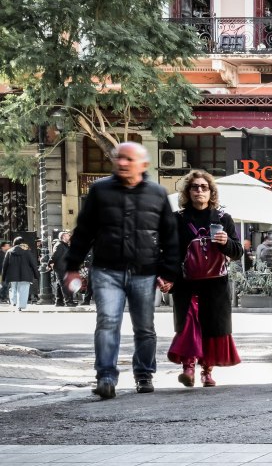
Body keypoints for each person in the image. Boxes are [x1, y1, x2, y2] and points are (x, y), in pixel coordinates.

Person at [65, 142, 180, 399]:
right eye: (119, 158)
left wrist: (169, 273)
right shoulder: (99, 190)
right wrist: (72, 267)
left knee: (145, 327)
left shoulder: (157, 193)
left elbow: (170, 238)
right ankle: (106, 376)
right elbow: (83, 231)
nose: (122, 163)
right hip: (106, 270)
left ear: (143, 165)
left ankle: (144, 373)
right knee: (107, 322)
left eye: (128, 159)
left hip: (145, 272)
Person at [167, 170, 242, 387]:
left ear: (211, 192)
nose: (199, 190)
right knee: (189, 324)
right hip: (186, 282)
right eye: (194, 187)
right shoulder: (177, 219)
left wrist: (226, 242)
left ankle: (206, 371)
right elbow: (170, 252)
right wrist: (167, 278)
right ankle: (188, 368)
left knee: (211, 326)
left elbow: (237, 252)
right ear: (188, 192)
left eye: (204, 187)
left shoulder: (223, 219)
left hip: (215, 283)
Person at [2, 237, 39, 311]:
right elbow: (33, 264)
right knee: (23, 290)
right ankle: (21, 305)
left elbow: (5, 265)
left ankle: (14, 302)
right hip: (25, 274)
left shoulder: (9, 251)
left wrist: (3, 277)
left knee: (13, 288)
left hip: (12, 275)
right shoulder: (27, 251)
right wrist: (36, 275)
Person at [50, 231, 75, 307]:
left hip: (65, 267)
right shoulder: (59, 245)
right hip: (61, 268)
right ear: (63, 237)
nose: (69, 237)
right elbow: (55, 256)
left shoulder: (65, 245)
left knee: (59, 284)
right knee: (64, 285)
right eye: (68, 236)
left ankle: (59, 301)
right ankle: (68, 301)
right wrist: (49, 263)